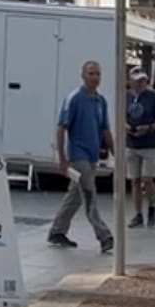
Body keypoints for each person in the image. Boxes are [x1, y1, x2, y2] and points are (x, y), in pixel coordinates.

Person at [48, 60, 114, 254]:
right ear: (83, 76)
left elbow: (105, 129)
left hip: (93, 155)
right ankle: (104, 236)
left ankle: (57, 231)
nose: (95, 77)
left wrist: (115, 152)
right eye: (91, 74)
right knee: (89, 194)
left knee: (75, 196)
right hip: (78, 155)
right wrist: (62, 157)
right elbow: (61, 128)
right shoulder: (74, 98)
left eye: (98, 74)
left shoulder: (100, 101)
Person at [125, 69, 155, 229]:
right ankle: (138, 214)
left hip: (148, 143)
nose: (140, 84)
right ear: (131, 82)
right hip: (131, 142)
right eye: (137, 81)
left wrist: (149, 127)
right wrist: (126, 126)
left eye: (143, 81)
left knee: (147, 179)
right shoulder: (126, 97)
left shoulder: (153, 97)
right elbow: (120, 115)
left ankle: (151, 208)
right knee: (135, 180)